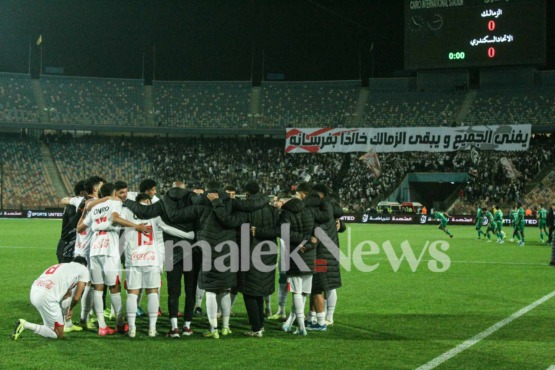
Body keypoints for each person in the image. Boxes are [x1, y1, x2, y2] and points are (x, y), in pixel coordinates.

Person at [77, 183, 150, 336]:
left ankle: (102, 326)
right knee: (114, 286)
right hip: (109, 245)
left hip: (95, 246)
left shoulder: (94, 207)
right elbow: (115, 218)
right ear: (113, 193)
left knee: (98, 287)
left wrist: (86, 210)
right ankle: (119, 323)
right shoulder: (114, 202)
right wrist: (135, 226)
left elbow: (79, 228)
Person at [234, 181, 278, 338]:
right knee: (260, 290)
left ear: (246, 194)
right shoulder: (271, 209)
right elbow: (277, 231)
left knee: (249, 291)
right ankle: (260, 325)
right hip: (269, 253)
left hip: (250, 252)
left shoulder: (244, 210)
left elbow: (239, 232)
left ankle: (256, 327)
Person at [12, 256, 90, 340]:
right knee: (58, 335)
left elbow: (67, 294)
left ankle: (62, 324)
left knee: (51, 327)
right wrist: (70, 309)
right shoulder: (84, 269)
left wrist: (66, 311)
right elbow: (76, 297)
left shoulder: (63, 266)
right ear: (84, 265)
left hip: (34, 292)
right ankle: (25, 324)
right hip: (47, 298)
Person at [307, 184, 344, 331]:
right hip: (332, 250)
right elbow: (341, 224)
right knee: (326, 284)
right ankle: (319, 316)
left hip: (322, 252)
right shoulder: (331, 209)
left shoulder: (320, 210)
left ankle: (327, 318)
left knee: (323, 285)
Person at [56, 180, 86, 263]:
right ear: (82, 193)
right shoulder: (72, 206)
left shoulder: (74, 203)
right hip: (67, 247)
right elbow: (74, 224)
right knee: (68, 274)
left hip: (73, 246)